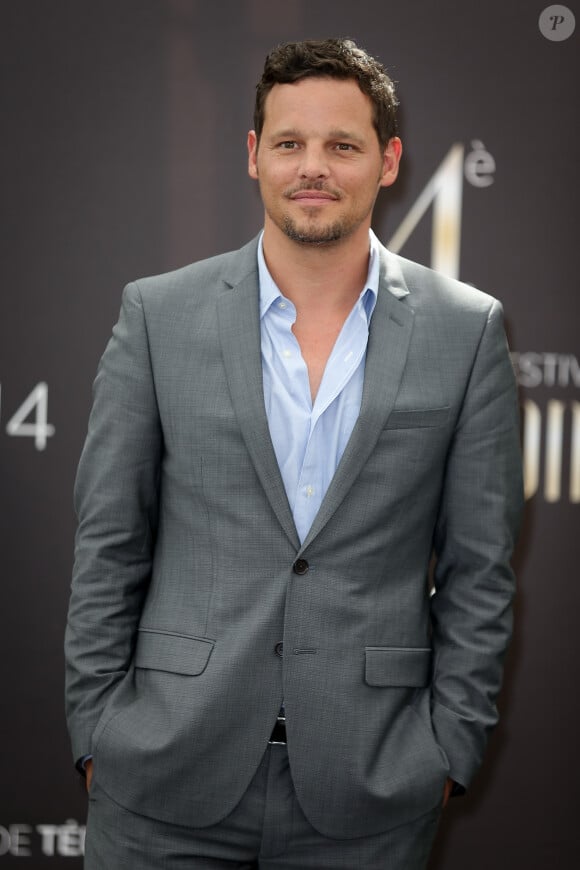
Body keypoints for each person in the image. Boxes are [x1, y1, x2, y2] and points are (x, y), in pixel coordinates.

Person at [65, 38, 523, 869]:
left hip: (371, 793)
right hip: (163, 781)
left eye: (342, 145)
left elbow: (480, 569)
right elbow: (108, 543)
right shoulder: (157, 317)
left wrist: (447, 751)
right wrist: (99, 730)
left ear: (387, 161)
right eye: (290, 143)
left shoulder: (467, 331)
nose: (314, 167)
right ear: (254, 156)